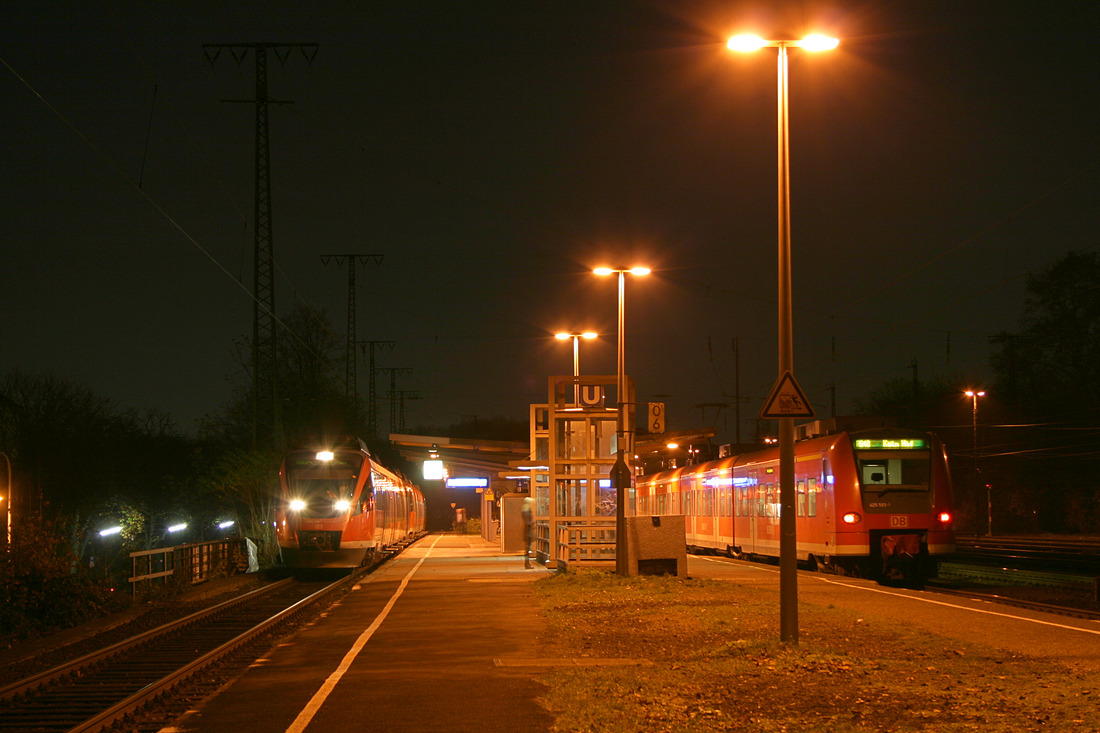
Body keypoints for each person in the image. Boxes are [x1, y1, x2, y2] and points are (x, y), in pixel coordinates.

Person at [521, 495, 534, 568]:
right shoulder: (526, 511)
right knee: (527, 547)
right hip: (527, 532)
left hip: (527, 531)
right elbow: (528, 521)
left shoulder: (525, 510)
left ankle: (527, 563)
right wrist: (532, 522)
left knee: (527, 547)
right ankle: (527, 563)